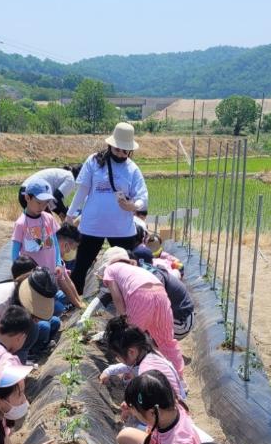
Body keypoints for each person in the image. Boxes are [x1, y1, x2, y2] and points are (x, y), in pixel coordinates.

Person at [65, 123, 148, 295]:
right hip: (92, 226)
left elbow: (142, 198)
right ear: (110, 145)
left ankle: (125, 301)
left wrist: (133, 206)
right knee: (81, 266)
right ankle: (74, 302)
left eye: (125, 151)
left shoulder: (132, 169)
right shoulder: (94, 162)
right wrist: (70, 214)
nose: (120, 154)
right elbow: (82, 190)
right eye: (117, 150)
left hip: (121, 229)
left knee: (126, 268)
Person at [99, 247, 185, 377]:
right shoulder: (135, 268)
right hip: (160, 294)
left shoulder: (110, 270)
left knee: (131, 340)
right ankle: (179, 378)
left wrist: (123, 319)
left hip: (140, 296)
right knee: (166, 340)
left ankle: (135, 375)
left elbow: (116, 297)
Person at [99, 316, 186, 400]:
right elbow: (127, 366)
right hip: (177, 399)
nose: (117, 358)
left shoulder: (146, 372)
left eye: (118, 355)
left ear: (131, 352)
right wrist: (108, 371)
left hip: (172, 407)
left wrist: (131, 405)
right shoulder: (148, 355)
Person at [131, 244, 195, 340]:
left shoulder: (155, 277)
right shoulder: (155, 270)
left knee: (139, 324)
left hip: (182, 323)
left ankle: (152, 349)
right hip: (181, 319)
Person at [12, 178, 62, 274]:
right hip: (32, 277)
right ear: (27, 198)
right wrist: (17, 274)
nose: (42, 207)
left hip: (51, 272)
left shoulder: (49, 218)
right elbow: (15, 253)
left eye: (46, 203)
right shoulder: (21, 223)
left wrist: (58, 263)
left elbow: (55, 243)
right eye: (39, 202)